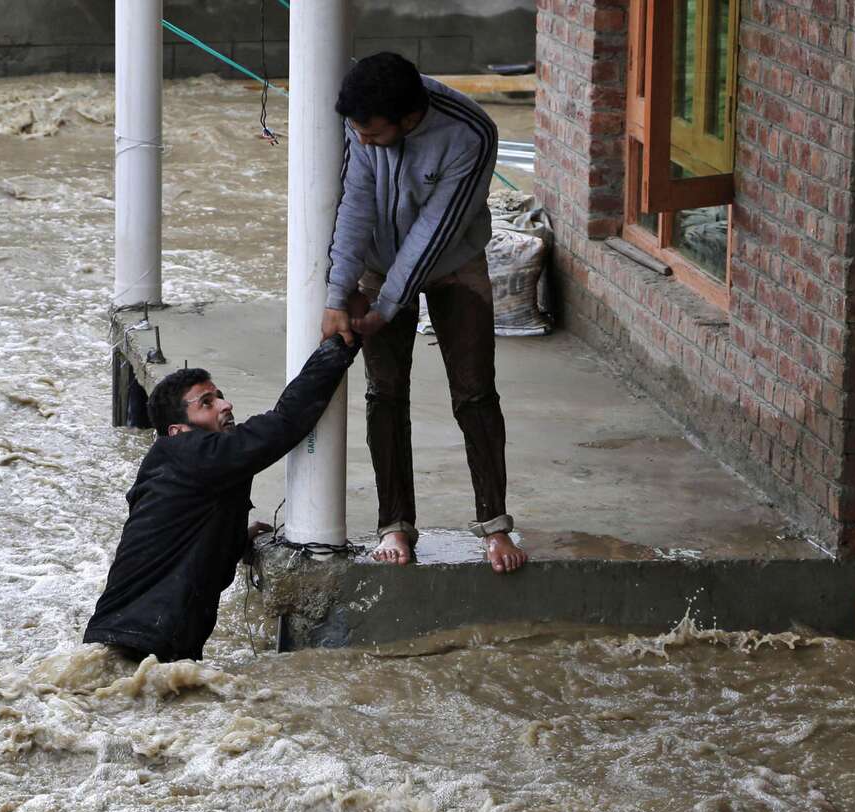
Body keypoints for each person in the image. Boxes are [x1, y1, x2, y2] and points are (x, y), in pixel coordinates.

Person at [320, 51, 527, 573]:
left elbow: (434, 233)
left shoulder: (470, 133)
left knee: (475, 391)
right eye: (356, 131)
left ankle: (494, 525)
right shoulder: (365, 120)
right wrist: (336, 294)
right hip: (377, 261)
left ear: (408, 119)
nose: (361, 140)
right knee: (384, 393)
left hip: (453, 260)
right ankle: (395, 523)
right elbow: (354, 204)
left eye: (371, 133)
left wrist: (389, 305)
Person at [84, 337, 360, 662]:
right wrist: (341, 345)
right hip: (143, 645)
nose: (224, 405)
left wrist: (236, 540)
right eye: (206, 403)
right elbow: (285, 423)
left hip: (130, 645)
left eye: (220, 397)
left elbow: (176, 540)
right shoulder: (196, 453)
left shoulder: (176, 465)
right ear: (178, 430)